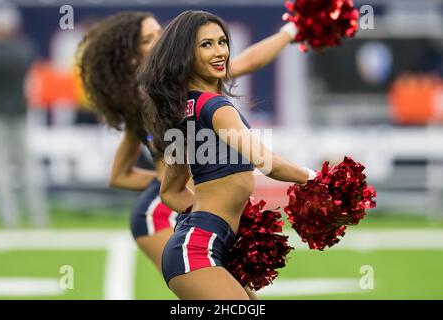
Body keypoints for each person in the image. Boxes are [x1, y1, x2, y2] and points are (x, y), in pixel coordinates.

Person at [77, 11, 300, 272]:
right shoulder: (150, 100)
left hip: (183, 202)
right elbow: (120, 176)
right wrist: (166, 182)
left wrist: (291, 32)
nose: (160, 41)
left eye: (160, 33)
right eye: (149, 39)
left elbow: (247, 61)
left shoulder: (181, 87)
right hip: (164, 209)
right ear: (131, 56)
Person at [140, 10, 315, 300]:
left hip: (206, 244)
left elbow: (171, 191)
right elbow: (267, 163)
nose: (220, 51)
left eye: (222, 42)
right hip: (197, 250)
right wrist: (317, 178)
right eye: (206, 45)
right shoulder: (214, 107)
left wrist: (218, 220)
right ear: (186, 55)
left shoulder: (185, 108)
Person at [0, 2, 49, 227]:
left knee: (10, 168)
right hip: (16, 114)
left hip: (9, 115)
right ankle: (34, 217)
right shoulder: (24, 47)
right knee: (23, 167)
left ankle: (18, 217)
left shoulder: (14, 49)